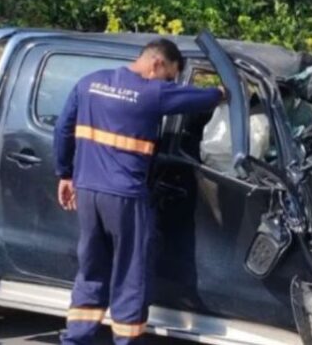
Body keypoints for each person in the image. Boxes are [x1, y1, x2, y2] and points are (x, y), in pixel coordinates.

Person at [53, 38, 224, 345]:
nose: (170, 82)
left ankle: (76, 339)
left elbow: (63, 128)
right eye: (170, 76)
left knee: (91, 270)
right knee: (130, 275)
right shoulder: (151, 93)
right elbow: (201, 99)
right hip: (126, 197)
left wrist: (64, 173)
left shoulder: (89, 83)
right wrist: (225, 92)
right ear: (158, 63)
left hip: (88, 192)